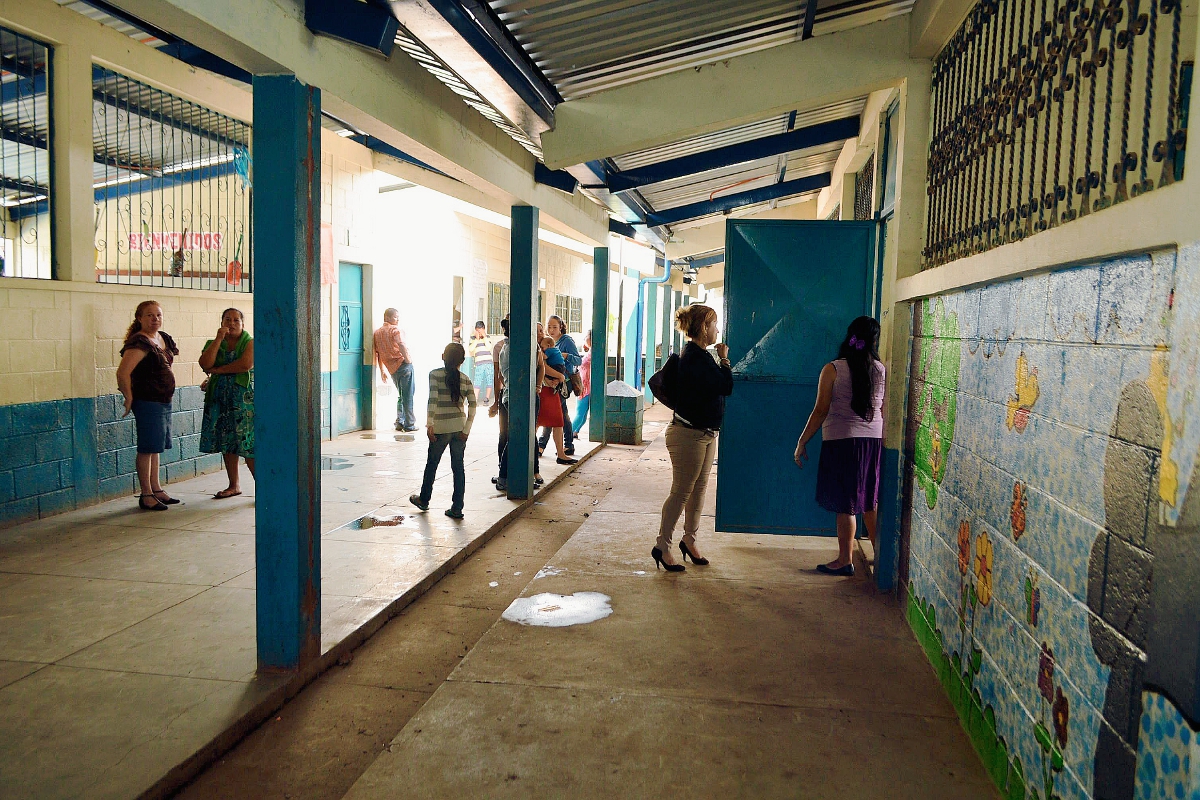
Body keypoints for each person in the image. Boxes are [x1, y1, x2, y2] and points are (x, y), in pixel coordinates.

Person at [793, 316, 886, 577]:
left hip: (842, 442)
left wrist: (802, 441)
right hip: (872, 442)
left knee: (846, 503)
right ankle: (881, 559)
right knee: (869, 501)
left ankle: (845, 559)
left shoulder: (833, 369)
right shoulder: (880, 369)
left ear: (849, 336)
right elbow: (882, 408)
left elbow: (820, 410)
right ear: (874, 341)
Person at [652, 304, 732, 572]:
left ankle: (690, 539)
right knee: (682, 491)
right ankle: (662, 545)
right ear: (702, 328)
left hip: (705, 433)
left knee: (699, 490)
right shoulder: (696, 357)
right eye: (713, 325)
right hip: (689, 435)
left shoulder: (700, 356)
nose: (717, 330)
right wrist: (725, 359)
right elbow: (725, 385)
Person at [116, 300, 180, 511]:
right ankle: (146, 494)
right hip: (147, 401)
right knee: (147, 447)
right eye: (150, 315)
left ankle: (156, 488)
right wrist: (128, 397)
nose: (155, 319)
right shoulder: (139, 342)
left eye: (158, 315)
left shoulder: (162, 339)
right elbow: (123, 372)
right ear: (139, 318)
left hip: (163, 400)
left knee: (156, 447)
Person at [410, 343, 477, 519]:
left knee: (432, 464)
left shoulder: (435, 375)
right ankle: (457, 508)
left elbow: (433, 399)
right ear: (462, 361)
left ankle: (424, 500)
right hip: (460, 429)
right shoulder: (465, 379)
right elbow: (473, 405)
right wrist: (467, 429)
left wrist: (429, 424)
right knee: (458, 468)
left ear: (443, 356)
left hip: (440, 429)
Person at [198, 308, 255, 499]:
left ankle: (263, 488)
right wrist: (217, 340)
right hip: (220, 399)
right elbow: (205, 364)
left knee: (248, 444)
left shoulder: (251, 343)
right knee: (227, 441)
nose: (231, 323)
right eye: (227, 320)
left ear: (243, 324)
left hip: (244, 402)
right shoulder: (214, 343)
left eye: (236, 320)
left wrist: (218, 371)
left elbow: (244, 365)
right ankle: (234, 485)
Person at [493, 316, 545, 491]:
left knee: (519, 437)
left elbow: (502, 376)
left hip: (513, 396)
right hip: (518, 398)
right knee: (517, 438)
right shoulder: (515, 349)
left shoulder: (507, 348)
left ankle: (512, 475)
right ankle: (504, 476)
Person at [538, 315, 582, 455]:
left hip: (565, 381)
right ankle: (567, 445)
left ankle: (542, 445)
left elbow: (578, 361)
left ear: (561, 327)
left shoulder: (566, 341)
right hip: (553, 382)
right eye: (549, 327)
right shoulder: (546, 341)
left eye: (555, 327)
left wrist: (565, 356)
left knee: (556, 412)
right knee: (560, 413)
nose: (551, 330)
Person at [374, 308, 416, 432]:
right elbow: (402, 345)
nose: (397, 320)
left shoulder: (377, 333)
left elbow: (378, 353)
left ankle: (400, 421)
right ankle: (409, 424)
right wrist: (408, 360)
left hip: (392, 369)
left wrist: (382, 370)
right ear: (387, 318)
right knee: (408, 395)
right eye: (395, 317)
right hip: (403, 365)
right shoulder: (394, 330)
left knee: (401, 395)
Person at [537, 336, 574, 464]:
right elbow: (543, 367)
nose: (542, 333)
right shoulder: (538, 350)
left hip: (550, 389)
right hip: (543, 389)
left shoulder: (546, 350)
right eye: (539, 331)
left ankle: (560, 453)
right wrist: (559, 376)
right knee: (537, 423)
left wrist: (558, 378)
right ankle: (535, 450)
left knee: (558, 421)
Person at [468, 321, 494, 406]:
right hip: (479, 363)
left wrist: (485, 337)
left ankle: (486, 398)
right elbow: (471, 349)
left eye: (481, 330)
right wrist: (477, 339)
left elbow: (489, 347)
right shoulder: (472, 338)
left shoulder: (488, 337)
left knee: (489, 380)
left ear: (484, 329)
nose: (479, 332)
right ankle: (475, 399)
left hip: (488, 362)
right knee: (477, 381)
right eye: (478, 330)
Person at [572, 330, 593, 437]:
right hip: (584, 386)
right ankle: (575, 431)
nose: (585, 338)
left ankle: (568, 433)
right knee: (583, 413)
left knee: (580, 413)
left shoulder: (592, 354)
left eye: (586, 336)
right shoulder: (591, 353)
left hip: (585, 387)